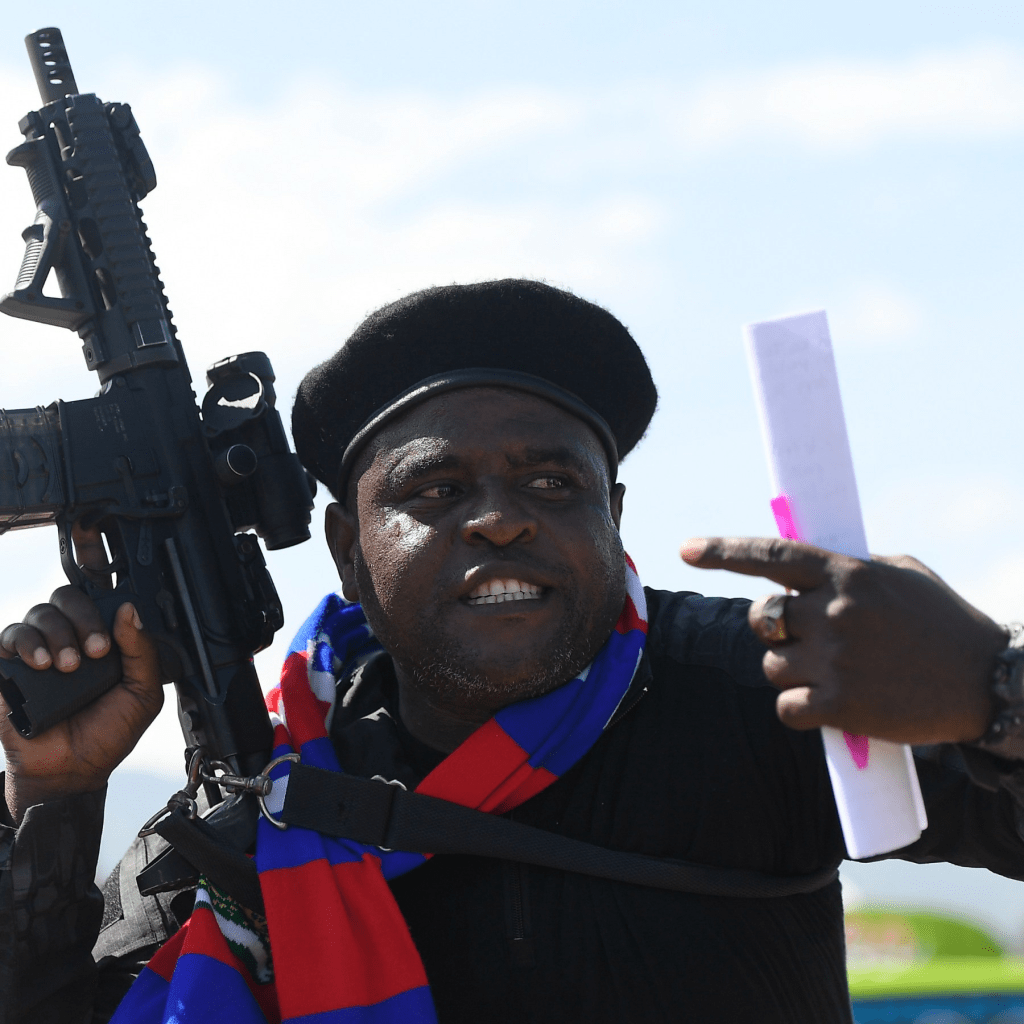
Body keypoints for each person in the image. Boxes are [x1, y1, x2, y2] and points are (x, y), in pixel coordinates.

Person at [2, 279, 1024, 1024]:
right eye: (435, 491)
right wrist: (55, 795)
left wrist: (990, 690)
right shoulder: (265, 785)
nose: (498, 520)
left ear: (611, 516)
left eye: (549, 485)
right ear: (349, 553)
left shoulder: (766, 685)